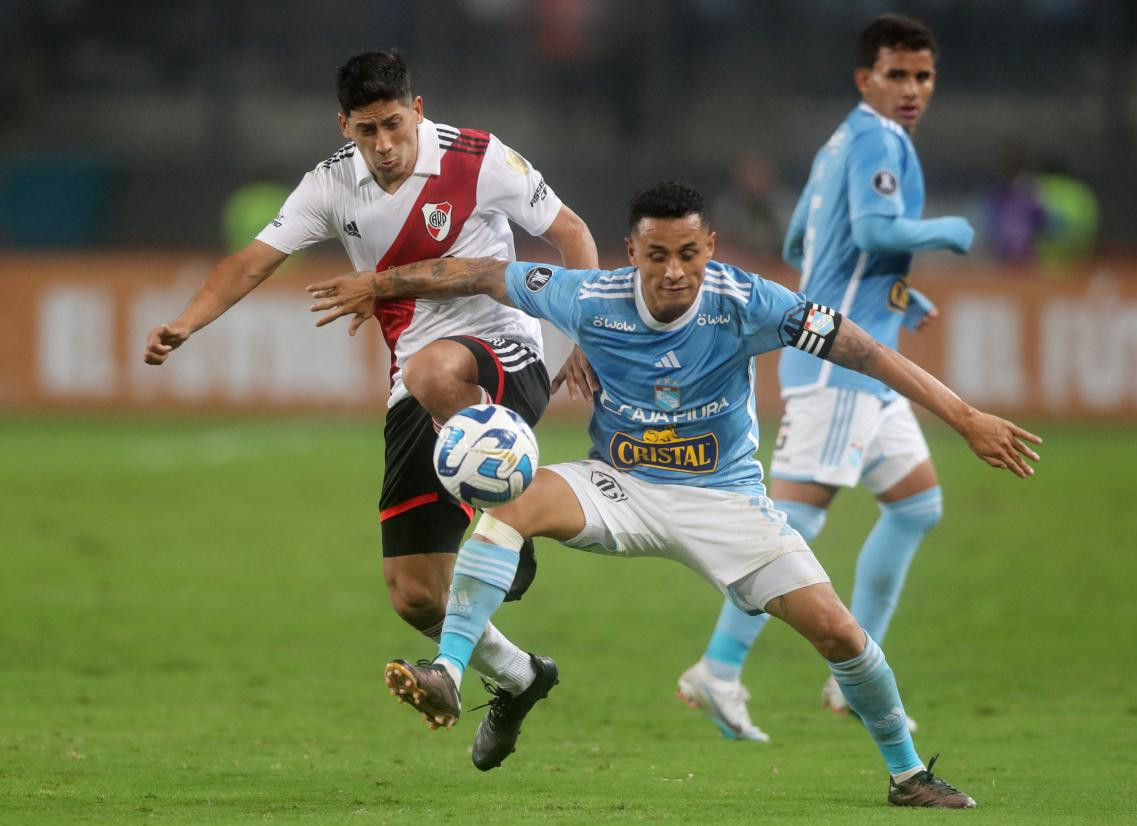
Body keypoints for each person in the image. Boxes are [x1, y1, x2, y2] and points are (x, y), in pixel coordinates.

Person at [307, 180, 1041, 807]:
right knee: (511, 503)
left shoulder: (750, 303)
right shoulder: (588, 297)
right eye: (657, 255)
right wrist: (380, 284)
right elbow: (479, 273)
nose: (674, 272)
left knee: (839, 635)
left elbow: (868, 350)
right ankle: (451, 671)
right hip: (619, 485)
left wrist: (967, 417)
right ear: (632, 253)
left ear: (710, 247)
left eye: (688, 254)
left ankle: (907, 775)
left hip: (724, 500)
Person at [142, 49, 598, 771]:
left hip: (504, 355)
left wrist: (584, 335)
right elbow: (253, 260)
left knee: (432, 365)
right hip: (416, 388)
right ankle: (518, 677)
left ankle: (503, 501)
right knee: (416, 595)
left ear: (417, 110)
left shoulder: (477, 160)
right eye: (366, 132)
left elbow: (570, 233)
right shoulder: (332, 183)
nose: (383, 146)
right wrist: (187, 323)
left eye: (393, 125)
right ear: (344, 126)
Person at [678, 14, 979, 742]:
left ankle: (852, 679)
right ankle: (717, 669)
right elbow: (874, 234)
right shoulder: (879, 140)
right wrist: (949, 231)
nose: (912, 90)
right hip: (840, 371)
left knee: (916, 505)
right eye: (897, 75)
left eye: (923, 76)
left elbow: (801, 243)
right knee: (790, 526)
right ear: (864, 78)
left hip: (860, 368)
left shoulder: (840, 140)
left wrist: (900, 295)